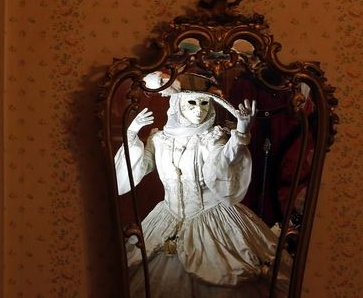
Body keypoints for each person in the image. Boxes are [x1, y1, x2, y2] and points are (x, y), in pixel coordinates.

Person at [114, 72, 290, 297]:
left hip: (214, 220)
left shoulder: (213, 138)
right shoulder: (159, 139)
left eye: (205, 102)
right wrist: (131, 132)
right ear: (177, 104)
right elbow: (134, 170)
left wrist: (241, 133)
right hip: (166, 218)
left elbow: (224, 161)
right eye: (192, 102)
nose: (199, 109)